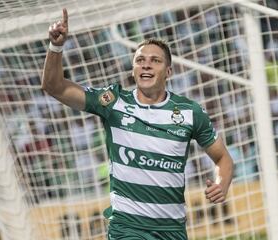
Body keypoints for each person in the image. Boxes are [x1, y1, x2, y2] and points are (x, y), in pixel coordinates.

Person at [42, 9, 233, 240]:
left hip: (172, 230)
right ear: (133, 70)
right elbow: (55, 87)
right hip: (127, 228)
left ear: (168, 72)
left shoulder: (189, 112)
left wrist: (222, 184)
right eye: (140, 60)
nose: (146, 65)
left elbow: (222, 158)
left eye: (155, 61)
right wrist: (56, 47)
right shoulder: (113, 101)